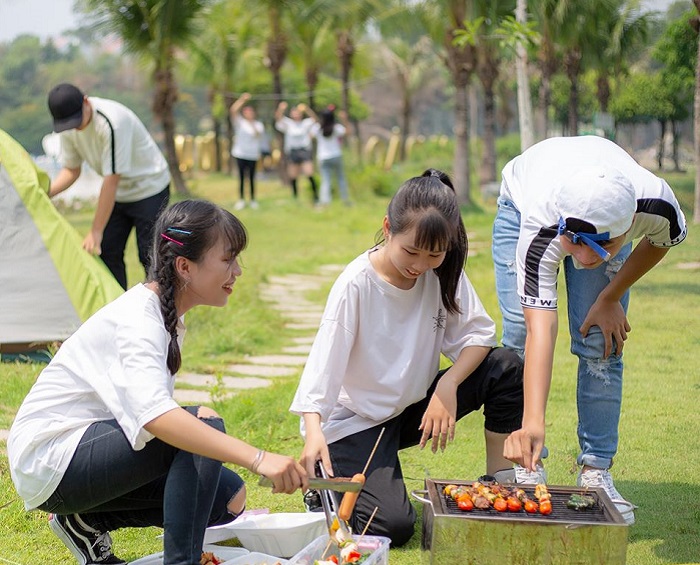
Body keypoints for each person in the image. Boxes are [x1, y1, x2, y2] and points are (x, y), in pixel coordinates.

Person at [7, 200, 308, 565]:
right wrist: (258, 458)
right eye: (228, 259)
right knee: (203, 422)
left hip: (84, 458)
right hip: (52, 459)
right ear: (185, 267)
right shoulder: (139, 320)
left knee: (228, 498)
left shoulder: (166, 318)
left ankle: (84, 521)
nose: (238, 271)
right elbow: (156, 417)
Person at [290, 169, 526, 546]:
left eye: (434, 254)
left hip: (412, 408)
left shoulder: (442, 272)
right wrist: (314, 431)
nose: (419, 264)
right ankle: (322, 493)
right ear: (388, 228)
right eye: (410, 251)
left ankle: (501, 482)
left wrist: (448, 385)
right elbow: (324, 363)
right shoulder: (357, 284)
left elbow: (479, 336)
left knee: (506, 367)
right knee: (394, 526)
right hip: (356, 422)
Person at [492, 135, 688, 525]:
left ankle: (596, 472)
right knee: (517, 335)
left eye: (598, 247)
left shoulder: (656, 205)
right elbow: (540, 331)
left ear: (628, 226)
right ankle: (527, 464)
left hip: (595, 215)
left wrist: (611, 296)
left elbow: (661, 242)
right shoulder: (543, 226)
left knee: (600, 343)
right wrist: (535, 422)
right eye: (576, 243)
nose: (582, 258)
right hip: (526, 200)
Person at [47, 83, 171, 290]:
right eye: (69, 124)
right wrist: (44, 192)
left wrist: (96, 230)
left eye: (77, 120)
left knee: (150, 255)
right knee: (107, 252)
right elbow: (71, 170)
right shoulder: (69, 129)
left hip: (149, 188)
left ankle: (162, 314)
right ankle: (117, 312)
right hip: (119, 194)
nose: (76, 127)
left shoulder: (112, 122)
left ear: (86, 102)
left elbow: (111, 179)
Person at [275, 101, 319, 203]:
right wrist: (281, 108)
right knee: (293, 175)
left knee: (309, 173)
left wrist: (307, 109)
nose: (296, 114)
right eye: (294, 112)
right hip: (293, 151)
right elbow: (278, 118)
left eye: (298, 112)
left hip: (304, 150)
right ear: (291, 114)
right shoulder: (288, 123)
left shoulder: (305, 123)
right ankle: (295, 197)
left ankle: (316, 196)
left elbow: (315, 120)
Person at [310, 106, 350, 207]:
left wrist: (316, 121)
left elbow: (310, 136)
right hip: (336, 155)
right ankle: (345, 200)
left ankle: (325, 202)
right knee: (341, 178)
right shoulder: (336, 127)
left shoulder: (318, 128)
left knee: (325, 180)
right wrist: (344, 119)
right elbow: (348, 132)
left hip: (323, 157)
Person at [230, 93, 264, 210]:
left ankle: (253, 199)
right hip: (240, 153)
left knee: (251, 177)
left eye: (251, 112)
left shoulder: (258, 124)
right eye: (247, 112)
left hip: (253, 155)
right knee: (241, 177)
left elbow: (258, 134)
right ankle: (241, 200)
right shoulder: (240, 123)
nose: (249, 114)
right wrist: (242, 100)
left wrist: (252, 123)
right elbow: (233, 110)